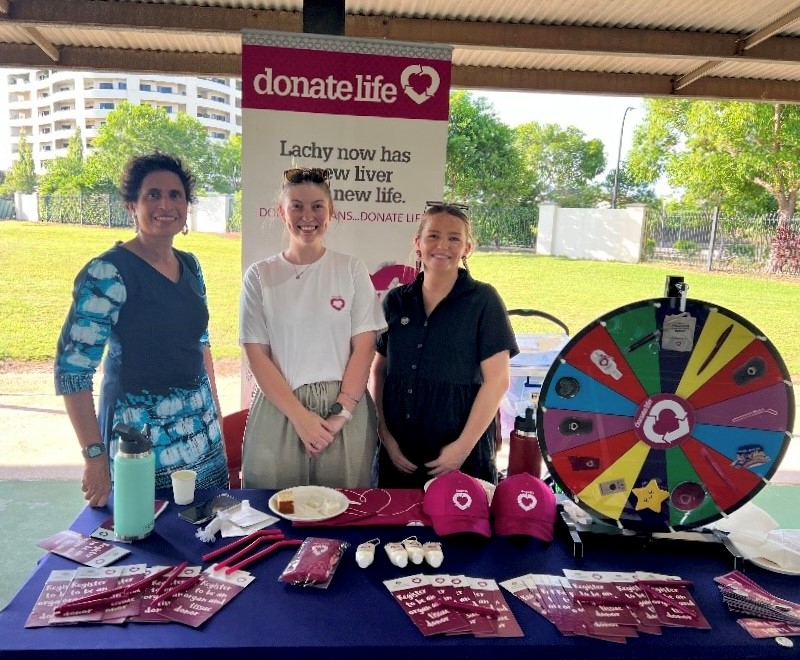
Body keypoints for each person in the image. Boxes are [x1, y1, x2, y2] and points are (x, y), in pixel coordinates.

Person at [55, 152, 229, 507]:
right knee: (147, 544)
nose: (165, 204)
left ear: (186, 206)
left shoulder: (191, 266)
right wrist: (94, 457)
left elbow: (200, 344)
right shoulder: (108, 273)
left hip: (203, 439)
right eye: (153, 194)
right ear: (131, 204)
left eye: (175, 195)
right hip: (139, 445)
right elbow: (73, 372)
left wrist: (216, 418)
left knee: (208, 536)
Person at [239, 167, 387, 489]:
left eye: (318, 206)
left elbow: (364, 347)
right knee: (275, 511)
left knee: (342, 514)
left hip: (344, 410)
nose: (308, 216)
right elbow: (257, 355)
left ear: (331, 212)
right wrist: (300, 417)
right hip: (281, 408)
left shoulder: (350, 269)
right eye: (297, 206)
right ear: (282, 211)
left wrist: (340, 416)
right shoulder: (259, 276)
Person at [369, 202, 519, 489]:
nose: (443, 245)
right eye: (433, 236)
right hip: (400, 455)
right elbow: (378, 372)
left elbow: (498, 380)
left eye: (454, 238)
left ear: (467, 248)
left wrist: (461, 449)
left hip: (461, 455)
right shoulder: (395, 301)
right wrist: (385, 437)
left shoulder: (483, 301)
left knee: (459, 530)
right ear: (418, 243)